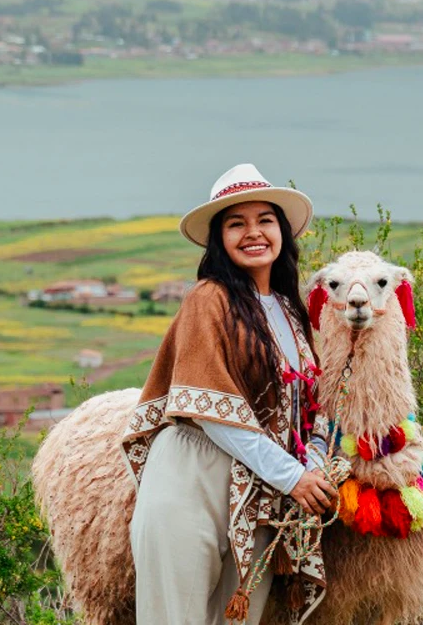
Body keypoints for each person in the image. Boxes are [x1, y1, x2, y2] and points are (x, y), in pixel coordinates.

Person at [121, 163, 337, 624]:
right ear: (219, 239)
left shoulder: (290, 311)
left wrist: (315, 464)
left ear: (282, 232)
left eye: (265, 220)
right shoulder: (208, 300)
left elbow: (310, 407)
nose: (253, 233)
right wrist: (293, 477)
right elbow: (214, 414)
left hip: (258, 489)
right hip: (193, 474)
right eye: (236, 223)